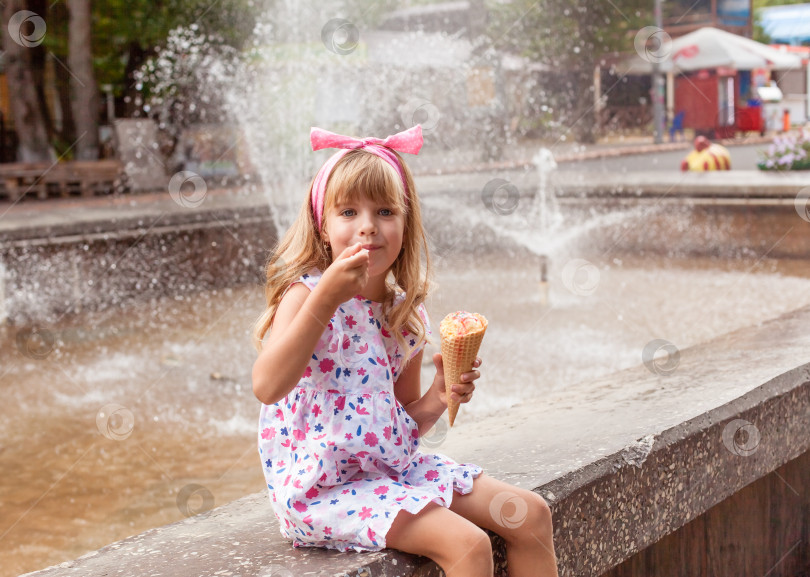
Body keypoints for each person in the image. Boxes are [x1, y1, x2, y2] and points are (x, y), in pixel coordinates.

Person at [251, 125, 558, 577]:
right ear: (323, 225)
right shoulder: (306, 295)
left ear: (405, 223)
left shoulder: (403, 315)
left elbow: (398, 427)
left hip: (391, 472)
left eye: (385, 211)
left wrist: (441, 395)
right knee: (469, 546)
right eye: (349, 211)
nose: (368, 226)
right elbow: (266, 385)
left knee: (531, 515)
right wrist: (328, 298)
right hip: (323, 488)